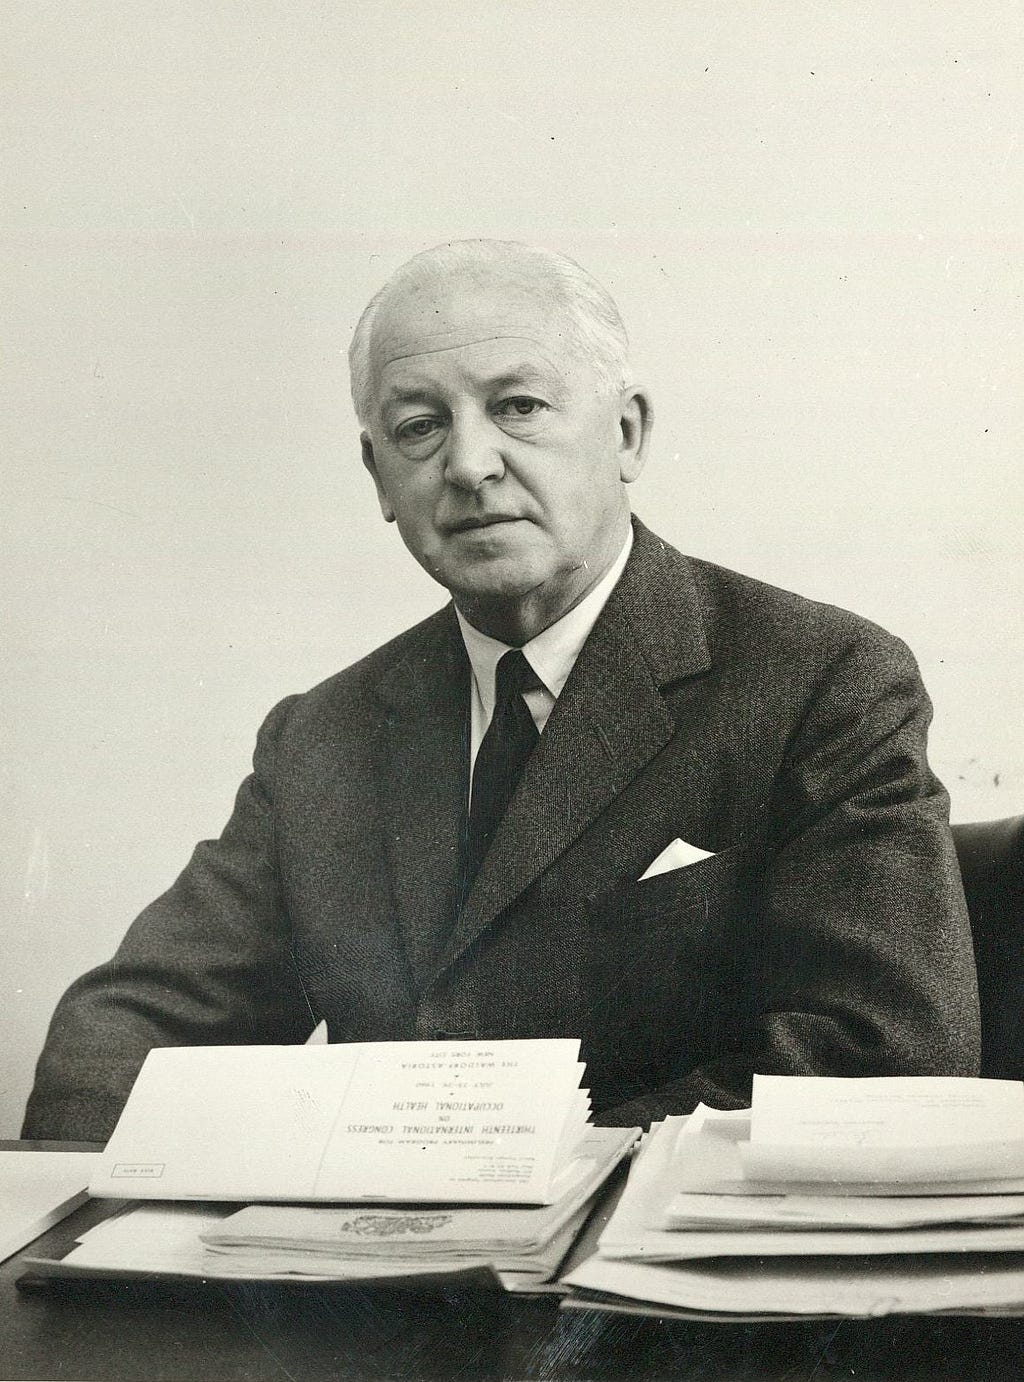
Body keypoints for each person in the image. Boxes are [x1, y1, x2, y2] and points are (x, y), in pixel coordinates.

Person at [23, 240, 980, 1142]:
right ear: (379, 477)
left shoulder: (823, 681)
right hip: (376, 1292)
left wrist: (523, 1175)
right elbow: (128, 1032)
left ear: (627, 432)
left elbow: (888, 1055)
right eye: (419, 426)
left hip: (655, 1287)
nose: (470, 464)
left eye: (518, 406)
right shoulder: (322, 737)